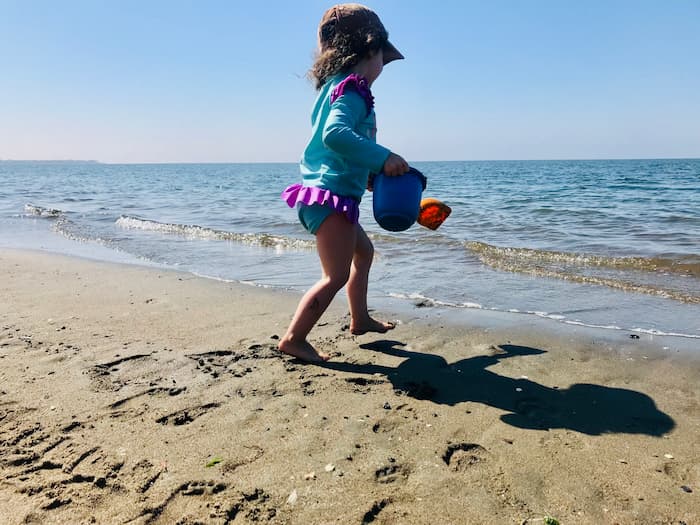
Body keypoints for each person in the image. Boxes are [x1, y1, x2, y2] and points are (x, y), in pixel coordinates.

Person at [279, 3, 409, 362]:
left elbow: (339, 148)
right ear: (370, 50)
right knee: (334, 275)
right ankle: (294, 338)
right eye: (383, 57)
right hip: (329, 198)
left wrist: (367, 174)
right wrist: (383, 158)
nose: (383, 67)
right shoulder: (352, 90)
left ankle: (360, 318)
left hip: (333, 195)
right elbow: (335, 135)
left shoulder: (337, 87)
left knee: (363, 254)